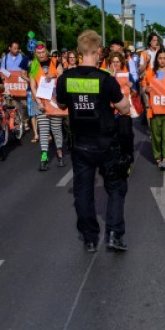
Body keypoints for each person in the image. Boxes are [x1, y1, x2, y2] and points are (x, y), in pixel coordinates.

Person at [56, 30, 133, 253]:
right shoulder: (106, 79)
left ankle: (90, 239)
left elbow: (61, 105)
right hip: (107, 142)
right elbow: (124, 108)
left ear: (78, 52)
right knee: (117, 187)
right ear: (99, 51)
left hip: (80, 144)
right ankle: (115, 235)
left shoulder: (66, 78)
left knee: (83, 191)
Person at [29, 44, 65, 170]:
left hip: (54, 102)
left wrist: (53, 75)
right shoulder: (33, 65)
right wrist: (39, 102)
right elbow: (33, 86)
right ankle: (44, 155)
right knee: (43, 130)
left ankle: (59, 152)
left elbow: (62, 77)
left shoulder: (55, 62)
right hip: (41, 102)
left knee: (56, 128)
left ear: (47, 52)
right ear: (35, 54)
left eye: (43, 52)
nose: (41, 55)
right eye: (38, 53)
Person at [145, 48, 165, 169]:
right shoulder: (150, 73)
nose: (162, 61)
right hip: (155, 109)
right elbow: (143, 87)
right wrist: (145, 90)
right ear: (156, 59)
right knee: (156, 137)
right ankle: (158, 157)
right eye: (160, 58)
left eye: (164, 58)